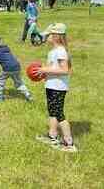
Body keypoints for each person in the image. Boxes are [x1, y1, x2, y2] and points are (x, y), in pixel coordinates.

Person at [35, 23, 76, 152]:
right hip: (51, 85)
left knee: (59, 114)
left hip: (59, 87)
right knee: (52, 111)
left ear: (56, 37)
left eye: (48, 35)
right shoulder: (53, 51)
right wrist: (44, 74)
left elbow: (65, 70)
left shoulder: (61, 51)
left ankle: (69, 143)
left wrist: (45, 69)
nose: (46, 37)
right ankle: (52, 136)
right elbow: (54, 68)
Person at [0, 35, 33, 102]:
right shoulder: (6, 48)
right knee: (19, 83)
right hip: (17, 67)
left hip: (7, 69)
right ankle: (28, 95)